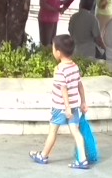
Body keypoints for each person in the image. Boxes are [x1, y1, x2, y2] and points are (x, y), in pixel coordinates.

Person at [29, 34, 90, 169]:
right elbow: (80, 85)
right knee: (75, 131)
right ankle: (82, 159)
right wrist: (83, 102)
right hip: (74, 107)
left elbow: (63, 89)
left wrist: (66, 107)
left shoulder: (60, 69)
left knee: (53, 131)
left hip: (60, 107)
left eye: (53, 48)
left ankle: (43, 155)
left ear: (58, 52)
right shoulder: (74, 66)